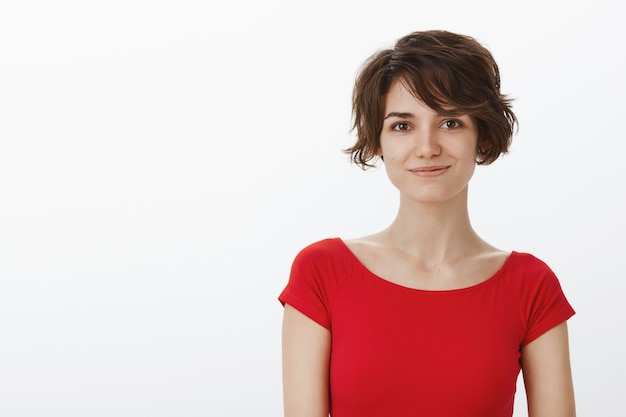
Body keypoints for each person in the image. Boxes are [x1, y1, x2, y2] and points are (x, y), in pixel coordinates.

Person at [278, 30, 576, 417]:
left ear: (482, 135)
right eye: (403, 125)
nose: (427, 147)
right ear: (378, 141)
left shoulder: (531, 286)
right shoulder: (321, 273)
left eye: (450, 123)